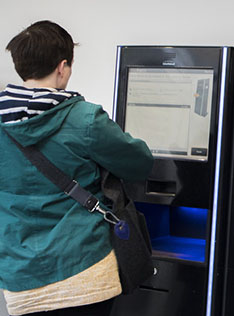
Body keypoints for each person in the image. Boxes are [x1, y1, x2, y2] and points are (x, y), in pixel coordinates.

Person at [0, 21, 154, 316]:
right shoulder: (84, 119)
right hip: (84, 272)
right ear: (62, 67)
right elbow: (139, 163)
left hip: (21, 275)